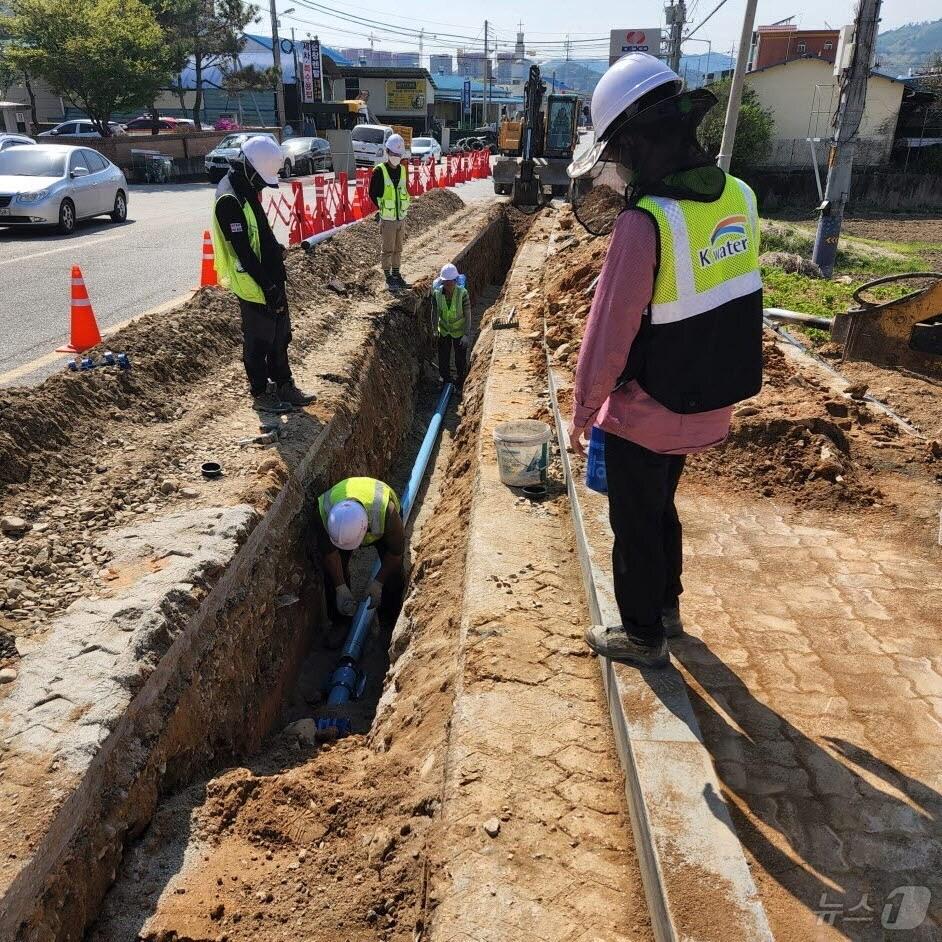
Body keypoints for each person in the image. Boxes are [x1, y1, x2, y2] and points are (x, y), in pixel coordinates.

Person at [567, 53, 764, 669]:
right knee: (661, 505)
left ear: (634, 142)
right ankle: (670, 608)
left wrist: (583, 407)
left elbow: (608, 334)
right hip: (706, 402)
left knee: (633, 520)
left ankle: (643, 633)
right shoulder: (740, 197)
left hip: (648, 409)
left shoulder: (643, 223)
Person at [211, 135, 314, 414]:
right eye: (261, 178)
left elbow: (261, 229)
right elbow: (243, 251)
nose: (262, 185)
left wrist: (274, 250)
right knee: (259, 341)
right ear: (249, 167)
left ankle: (284, 384)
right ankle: (260, 391)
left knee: (281, 335)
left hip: (271, 277)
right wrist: (267, 287)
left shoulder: (247, 187)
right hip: (253, 283)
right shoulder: (229, 198)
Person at [313, 476, 405, 623]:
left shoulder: (387, 513)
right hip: (343, 527)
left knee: (393, 576)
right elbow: (330, 555)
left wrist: (378, 582)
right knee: (332, 574)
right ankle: (340, 621)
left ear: (366, 527)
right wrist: (340, 587)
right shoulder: (324, 512)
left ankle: (388, 622)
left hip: (381, 515)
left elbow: (395, 554)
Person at [369, 133, 410, 290]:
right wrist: (382, 207)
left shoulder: (402, 170)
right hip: (388, 217)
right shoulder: (379, 171)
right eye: (393, 154)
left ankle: (397, 273)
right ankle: (388, 277)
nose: (396, 157)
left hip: (401, 216)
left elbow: (404, 190)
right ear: (387, 152)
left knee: (398, 248)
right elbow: (372, 193)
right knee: (388, 249)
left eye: (398, 155)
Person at [432, 263, 470, 388]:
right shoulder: (437, 293)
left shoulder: (462, 293)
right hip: (443, 330)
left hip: (459, 331)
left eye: (450, 283)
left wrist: (465, 334)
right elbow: (435, 311)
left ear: (455, 280)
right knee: (443, 357)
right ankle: (445, 379)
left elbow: (467, 314)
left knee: (460, 359)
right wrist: (434, 329)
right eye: (446, 283)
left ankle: (460, 381)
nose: (448, 286)